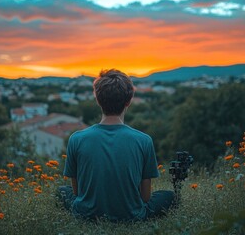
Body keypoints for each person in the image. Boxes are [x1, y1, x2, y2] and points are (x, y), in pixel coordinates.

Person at [59, 69, 174, 222]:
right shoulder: (144, 140)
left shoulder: (76, 139)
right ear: (129, 100)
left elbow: (77, 191)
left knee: (62, 191)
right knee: (169, 196)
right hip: (132, 215)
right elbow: (145, 197)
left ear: (98, 99)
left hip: (85, 214)